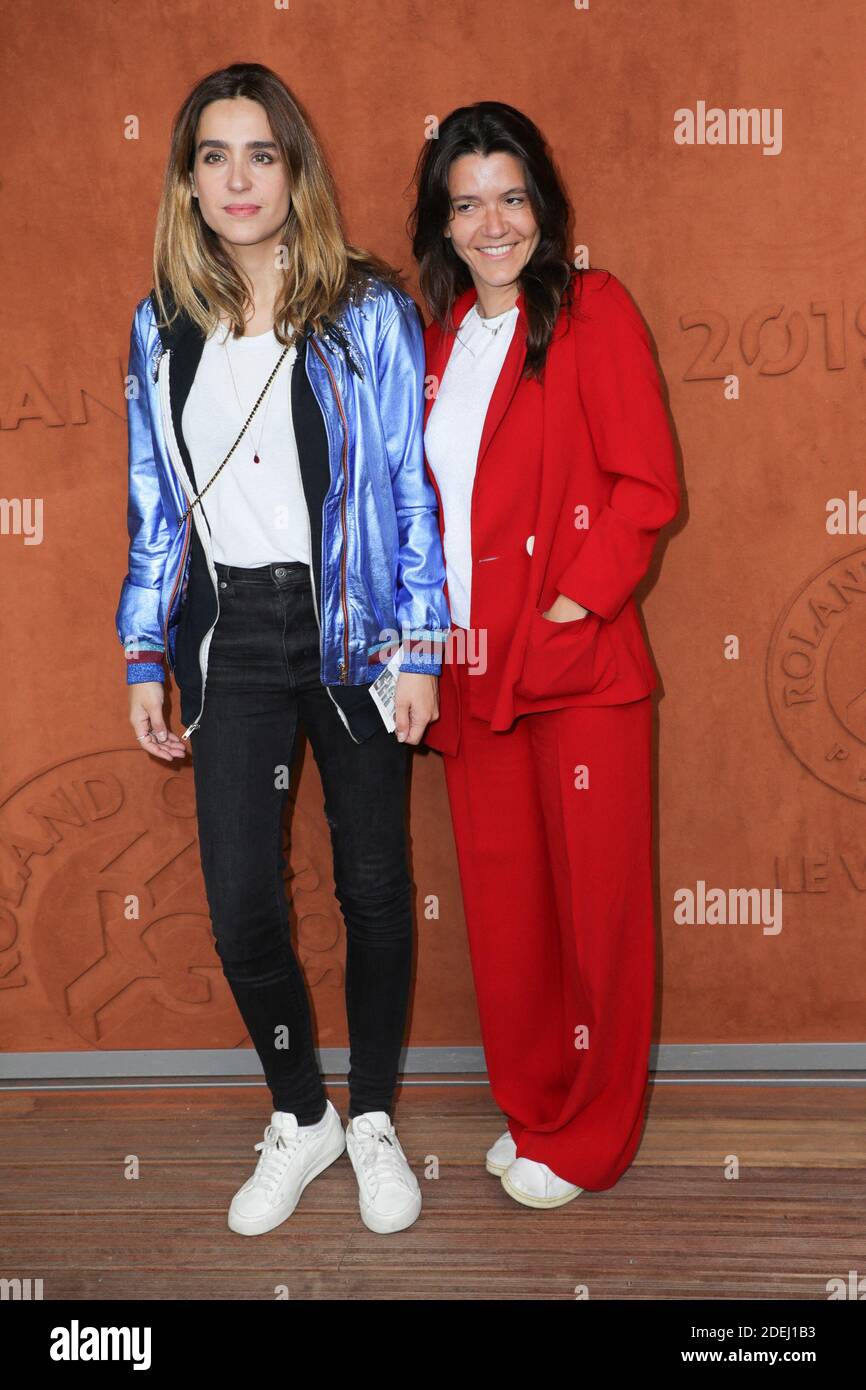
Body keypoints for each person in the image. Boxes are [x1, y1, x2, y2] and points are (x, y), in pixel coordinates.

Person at [115, 63, 450, 1236]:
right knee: (242, 903)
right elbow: (155, 510)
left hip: (353, 633)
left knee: (370, 887)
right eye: (214, 156)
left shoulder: (366, 310)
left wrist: (419, 646)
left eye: (262, 153)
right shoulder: (163, 323)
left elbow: (410, 490)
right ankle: (299, 1111)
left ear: (295, 169)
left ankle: (369, 1117)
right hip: (232, 636)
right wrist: (144, 653)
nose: (239, 177)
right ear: (188, 181)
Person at [410, 101, 681, 1207]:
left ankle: (591, 1137)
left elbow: (646, 485)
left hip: (577, 673)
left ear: (542, 206)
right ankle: (534, 1111)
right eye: (466, 201)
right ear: (441, 219)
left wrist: (573, 604)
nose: (491, 222)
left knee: (595, 920)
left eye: (510, 196)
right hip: (473, 671)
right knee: (506, 911)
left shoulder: (592, 310)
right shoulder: (437, 341)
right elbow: (416, 510)